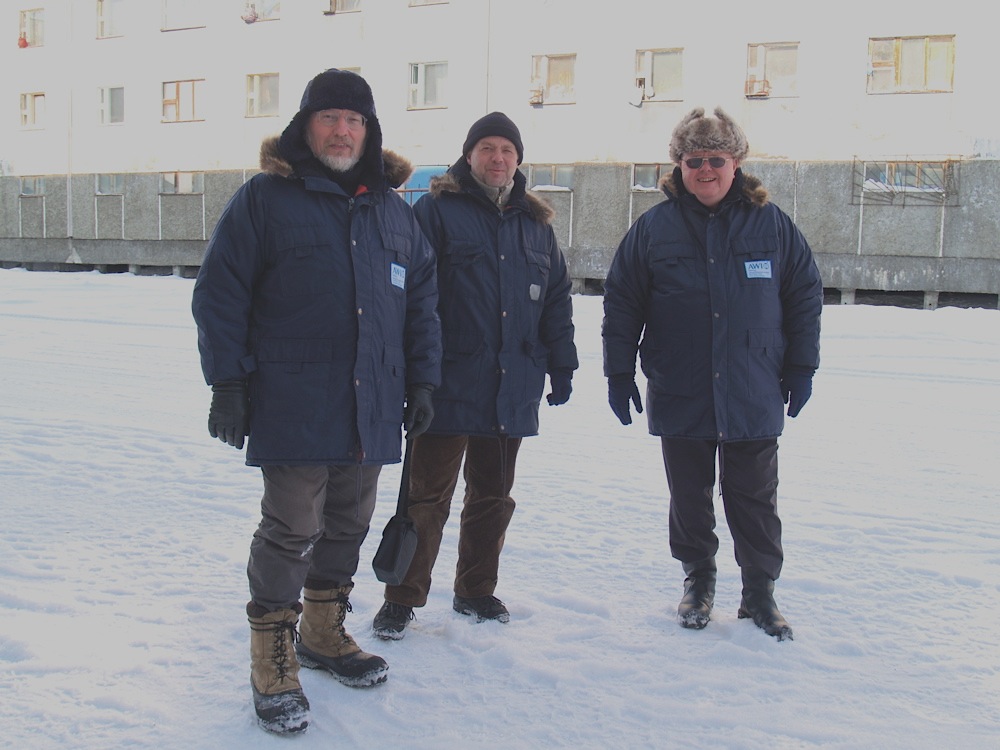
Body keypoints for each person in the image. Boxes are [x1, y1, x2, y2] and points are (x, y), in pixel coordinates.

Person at [191, 69, 442, 735]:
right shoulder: (265, 200)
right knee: (291, 528)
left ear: (369, 131)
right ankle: (271, 656)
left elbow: (422, 303)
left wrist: (423, 381)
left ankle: (324, 632)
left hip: (373, 398)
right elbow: (221, 293)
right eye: (329, 117)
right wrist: (227, 382)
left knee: (348, 523)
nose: (342, 131)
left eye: (354, 120)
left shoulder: (394, 211)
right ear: (305, 126)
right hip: (294, 398)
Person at [601, 107, 822, 641]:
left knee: (754, 497)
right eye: (694, 159)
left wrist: (801, 366)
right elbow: (623, 302)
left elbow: (804, 296)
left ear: (736, 163)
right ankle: (698, 580)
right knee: (689, 496)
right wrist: (618, 373)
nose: (705, 169)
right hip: (681, 384)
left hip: (752, 385)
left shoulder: (772, 226)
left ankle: (759, 592)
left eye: (716, 160)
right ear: (678, 166)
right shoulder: (653, 229)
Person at [370, 112, 578, 639]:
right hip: (447, 382)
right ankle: (402, 598)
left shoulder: (536, 224)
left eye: (507, 150)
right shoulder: (435, 212)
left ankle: (476, 590)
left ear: (518, 160)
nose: (497, 158)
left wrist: (563, 363)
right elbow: (410, 295)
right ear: (469, 156)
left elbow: (556, 299)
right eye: (487, 148)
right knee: (426, 497)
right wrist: (412, 373)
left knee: (493, 497)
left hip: (513, 383)